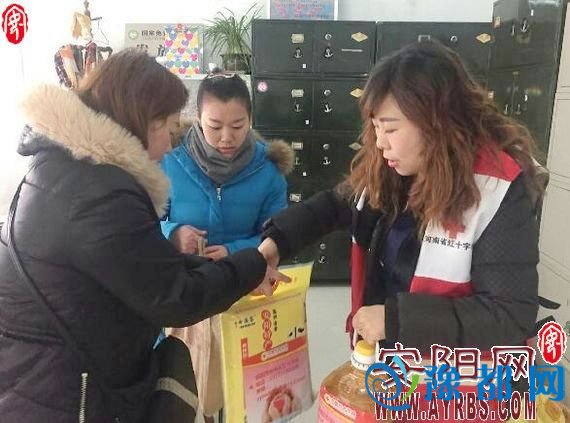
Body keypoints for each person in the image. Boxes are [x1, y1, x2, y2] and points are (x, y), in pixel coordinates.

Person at [0, 49, 287, 423]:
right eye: (166, 127)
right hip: (65, 390)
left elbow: (139, 261)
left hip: (50, 371)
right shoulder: (98, 193)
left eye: (237, 126)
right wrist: (250, 265)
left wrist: (240, 259)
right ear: (138, 120)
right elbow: (175, 296)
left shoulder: (68, 168)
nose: (169, 144)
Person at [259, 41, 543, 355]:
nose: (380, 142)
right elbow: (334, 205)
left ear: (437, 123)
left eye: (391, 129)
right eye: (375, 127)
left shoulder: (496, 190)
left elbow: (508, 316)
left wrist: (395, 320)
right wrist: (276, 243)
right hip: (391, 361)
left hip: (453, 377)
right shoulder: (394, 169)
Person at [159, 71, 293, 418]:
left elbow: (278, 234)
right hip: (189, 294)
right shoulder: (170, 161)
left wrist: (235, 251)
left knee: (246, 391)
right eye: (214, 125)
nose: (226, 137)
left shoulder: (268, 169)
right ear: (197, 118)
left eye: (237, 125)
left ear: (250, 119)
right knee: (191, 385)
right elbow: (145, 223)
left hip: (246, 290)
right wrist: (174, 232)